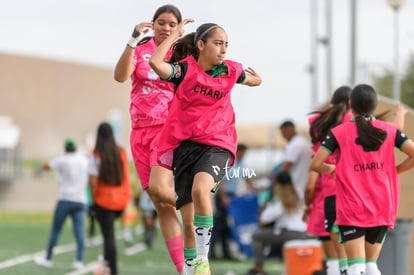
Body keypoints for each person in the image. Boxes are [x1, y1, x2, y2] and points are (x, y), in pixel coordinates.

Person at [149, 19, 262, 275]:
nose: (223, 50)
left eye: (226, 45)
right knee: (187, 223)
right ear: (201, 45)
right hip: (185, 146)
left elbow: (252, 80)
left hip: (218, 143)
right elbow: (156, 63)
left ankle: (202, 259)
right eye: (218, 44)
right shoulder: (184, 71)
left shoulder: (230, 70)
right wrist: (175, 34)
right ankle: (192, 270)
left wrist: (258, 80)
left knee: (202, 191)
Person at [113, 5, 187, 274]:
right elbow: (121, 76)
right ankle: (184, 268)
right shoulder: (141, 49)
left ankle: (195, 205)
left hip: (166, 131)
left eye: (171, 24)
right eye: (161, 22)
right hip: (139, 133)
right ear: (153, 24)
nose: (166, 28)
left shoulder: (183, 53)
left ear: (179, 27)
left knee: (161, 193)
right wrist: (132, 40)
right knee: (161, 204)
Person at [311, 84, 414, 275]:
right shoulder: (388, 130)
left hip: (352, 207)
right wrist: (395, 171)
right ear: (374, 106)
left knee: (356, 266)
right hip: (382, 205)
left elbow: (316, 165)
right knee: (371, 266)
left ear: (351, 105)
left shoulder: (339, 133)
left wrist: (332, 168)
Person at [304, 86, 352, 275]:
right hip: (353, 190)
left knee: (334, 254)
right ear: (352, 104)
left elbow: (311, 180)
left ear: (332, 101)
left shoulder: (319, 123)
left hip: (328, 193)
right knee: (358, 256)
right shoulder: (354, 124)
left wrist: (307, 204)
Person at [34, 138, 88, 270]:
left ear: (65, 148)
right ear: (75, 148)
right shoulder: (84, 160)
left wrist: (39, 169)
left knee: (56, 230)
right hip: (80, 200)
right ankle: (79, 260)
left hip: (65, 199)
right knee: (79, 232)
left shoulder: (63, 159)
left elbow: (47, 166)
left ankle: (48, 258)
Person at [88, 122, 131, 275]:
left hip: (104, 202)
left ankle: (113, 270)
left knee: (109, 238)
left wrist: (93, 201)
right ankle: (106, 266)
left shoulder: (97, 154)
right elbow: (126, 175)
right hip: (121, 201)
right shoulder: (121, 152)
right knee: (109, 235)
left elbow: (93, 182)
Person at [246, 171, 309, 275]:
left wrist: (268, 203)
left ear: (277, 184)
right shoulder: (299, 193)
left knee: (257, 236)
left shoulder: (280, 198)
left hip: (289, 233)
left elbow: (266, 218)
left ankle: (259, 268)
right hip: (304, 232)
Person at [210, 143, 255, 260]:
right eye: (242, 153)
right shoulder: (229, 163)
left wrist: (255, 190)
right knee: (218, 225)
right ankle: (212, 252)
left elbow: (248, 178)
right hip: (223, 196)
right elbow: (220, 181)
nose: (243, 155)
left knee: (227, 226)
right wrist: (224, 197)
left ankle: (226, 252)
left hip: (232, 196)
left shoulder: (241, 164)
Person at [279, 120, 312, 202]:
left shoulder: (294, 144)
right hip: (303, 187)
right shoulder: (303, 142)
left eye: (283, 133)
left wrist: (276, 181)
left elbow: (286, 166)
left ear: (289, 130)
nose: (283, 136)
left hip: (295, 188)